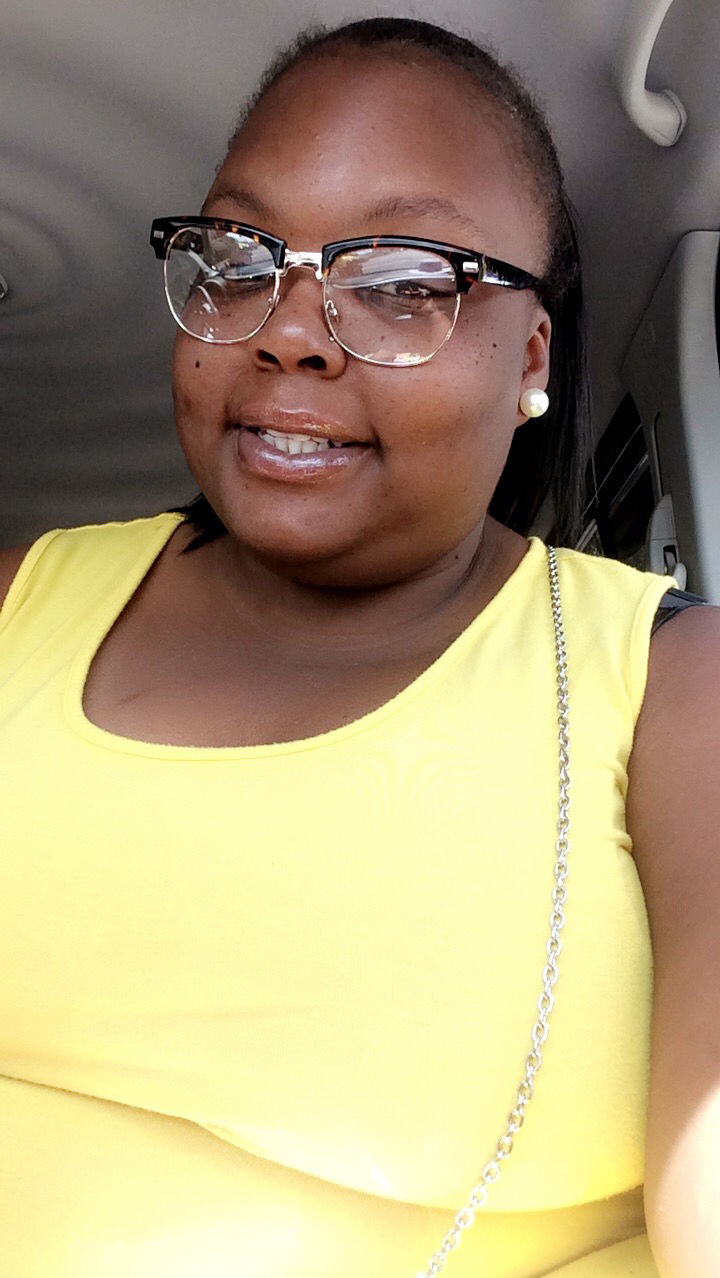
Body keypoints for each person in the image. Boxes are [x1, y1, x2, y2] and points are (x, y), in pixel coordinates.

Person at [1, 17, 718, 1278]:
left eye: (401, 281)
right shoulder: (18, 606)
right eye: (240, 258)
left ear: (531, 356)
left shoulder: (674, 688)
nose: (291, 331)